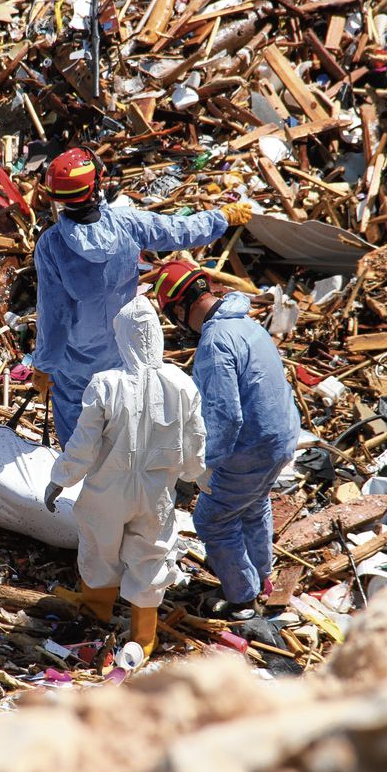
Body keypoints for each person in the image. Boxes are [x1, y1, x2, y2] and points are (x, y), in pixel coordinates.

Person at [32, 147, 251, 445]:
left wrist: (44, 365)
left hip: (78, 361)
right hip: (126, 346)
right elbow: (180, 230)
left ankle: (81, 484)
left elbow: (55, 316)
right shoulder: (127, 224)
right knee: (125, 419)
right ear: (95, 186)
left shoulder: (51, 245)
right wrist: (221, 217)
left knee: (79, 432)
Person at [43, 294, 206, 659]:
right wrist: (198, 477)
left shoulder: (105, 383)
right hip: (156, 492)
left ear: (122, 338)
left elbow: (83, 444)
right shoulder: (182, 384)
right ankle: (143, 636)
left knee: (100, 546)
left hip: (107, 489)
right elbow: (196, 440)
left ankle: (97, 609)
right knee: (152, 552)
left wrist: (60, 479)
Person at [150, 260, 300, 620]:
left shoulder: (215, 344)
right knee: (252, 504)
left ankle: (242, 598)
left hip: (252, 447)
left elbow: (225, 418)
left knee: (212, 518)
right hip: (281, 438)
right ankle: (262, 577)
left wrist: (203, 466)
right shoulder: (246, 324)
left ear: (182, 307)